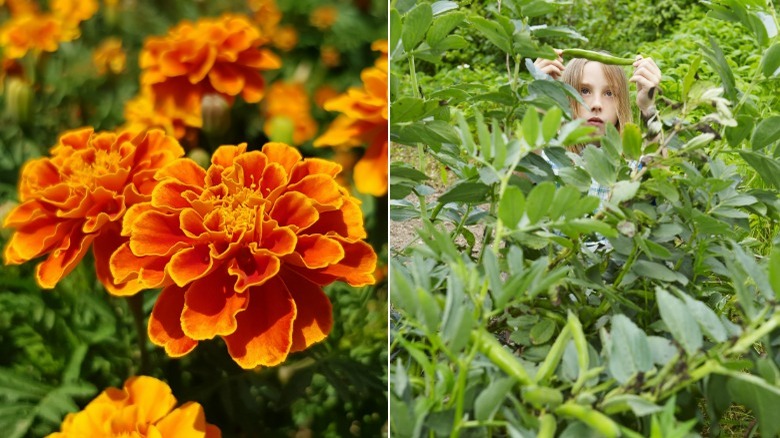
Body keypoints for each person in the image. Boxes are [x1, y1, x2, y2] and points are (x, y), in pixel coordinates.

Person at [534, 49, 662, 149]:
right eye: (584, 91)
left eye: (609, 93)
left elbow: (658, 176)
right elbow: (524, 176)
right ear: (565, 98)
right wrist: (542, 97)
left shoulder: (632, 164)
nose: (596, 104)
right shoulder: (547, 156)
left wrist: (647, 106)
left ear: (621, 103)